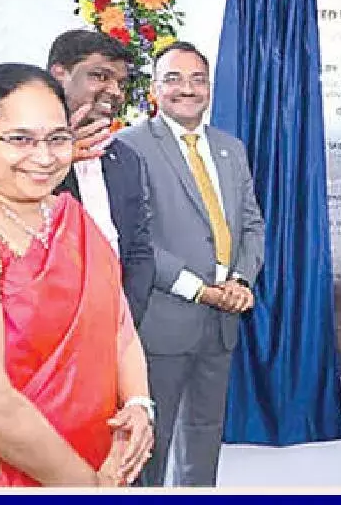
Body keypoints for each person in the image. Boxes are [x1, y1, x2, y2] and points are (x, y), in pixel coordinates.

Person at [0, 63, 153, 486]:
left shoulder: (66, 215)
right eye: (20, 139)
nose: (44, 157)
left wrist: (140, 402)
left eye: (57, 138)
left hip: (93, 456)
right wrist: (85, 487)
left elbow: (116, 322)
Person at [118, 41, 264, 487]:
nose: (187, 89)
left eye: (197, 79)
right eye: (174, 79)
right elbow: (134, 239)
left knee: (204, 434)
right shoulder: (129, 147)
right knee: (150, 442)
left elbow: (252, 224)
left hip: (222, 320)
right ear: (154, 89)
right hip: (164, 318)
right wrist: (198, 289)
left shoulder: (230, 148)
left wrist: (239, 279)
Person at [46, 30, 155, 327]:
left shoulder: (127, 159)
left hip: (115, 325)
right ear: (60, 75)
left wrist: (124, 317)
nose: (116, 91)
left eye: (121, 82)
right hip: (47, 327)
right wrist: (59, 154)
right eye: (100, 76)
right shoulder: (27, 155)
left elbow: (139, 250)